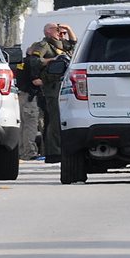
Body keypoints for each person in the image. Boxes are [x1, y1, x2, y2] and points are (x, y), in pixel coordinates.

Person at [25, 22, 77, 164]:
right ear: (48, 31)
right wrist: (52, 60)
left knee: (63, 119)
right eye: (58, 30)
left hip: (63, 86)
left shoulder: (60, 44)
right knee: (55, 120)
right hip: (51, 87)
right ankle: (54, 152)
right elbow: (34, 61)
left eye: (62, 31)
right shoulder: (44, 45)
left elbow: (73, 43)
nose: (61, 33)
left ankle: (61, 149)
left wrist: (68, 28)